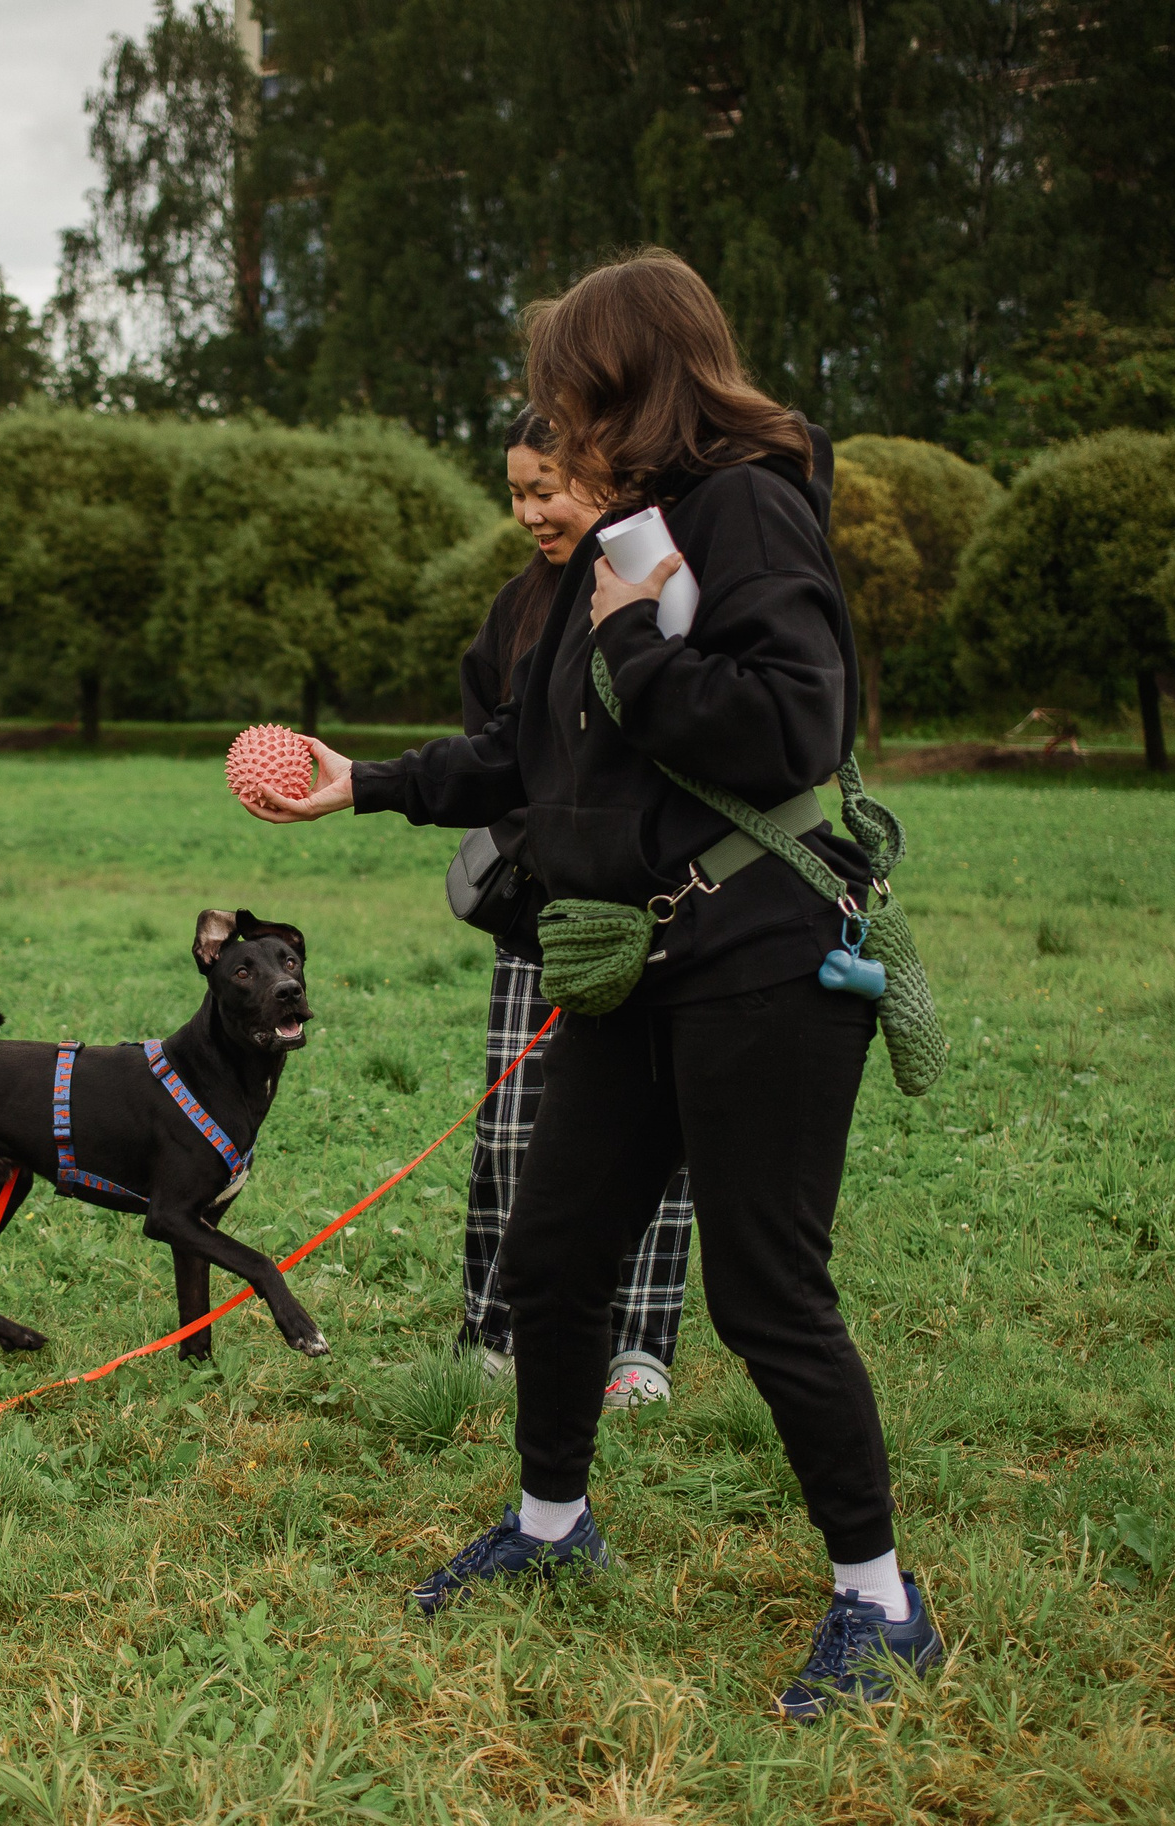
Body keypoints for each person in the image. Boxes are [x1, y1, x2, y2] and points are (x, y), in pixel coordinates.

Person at [256, 248, 940, 1720]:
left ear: (633, 375)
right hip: (632, 960)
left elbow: (790, 725)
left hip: (763, 953)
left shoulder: (746, 507)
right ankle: (554, 1525)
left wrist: (638, 629)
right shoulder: (613, 541)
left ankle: (881, 1600)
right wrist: (358, 782)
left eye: (570, 371)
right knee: (553, 1261)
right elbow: (524, 749)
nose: (550, 401)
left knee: (768, 1293)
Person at [464, 408, 694, 1410]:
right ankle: (495, 1325)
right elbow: (493, 755)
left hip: (666, 916)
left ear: (602, 476)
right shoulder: (519, 610)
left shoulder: (674, 581)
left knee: (659, 1135)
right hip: (545, 921)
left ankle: (637, 1342)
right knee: (513, 1129)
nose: (527, 511)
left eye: (544, 487)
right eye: (515, 490)